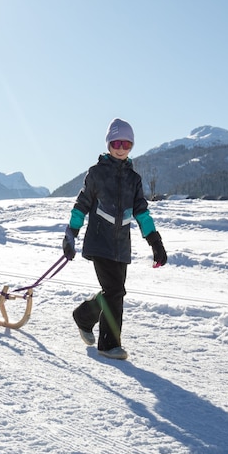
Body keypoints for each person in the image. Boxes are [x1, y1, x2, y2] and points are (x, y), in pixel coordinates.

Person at [61, 118, 168, 360]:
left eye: (126, 144)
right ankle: (108, 344)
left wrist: (155, 241)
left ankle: (83, 316)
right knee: (114, 291)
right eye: (116, 142)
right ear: (109, 143)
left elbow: (142, 212)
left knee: (113, 291)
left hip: (121, 245)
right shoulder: (97, 173)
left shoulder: (134, 179)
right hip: (99, 242)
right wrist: (71, 233)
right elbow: (82, 205)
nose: (121, 148)